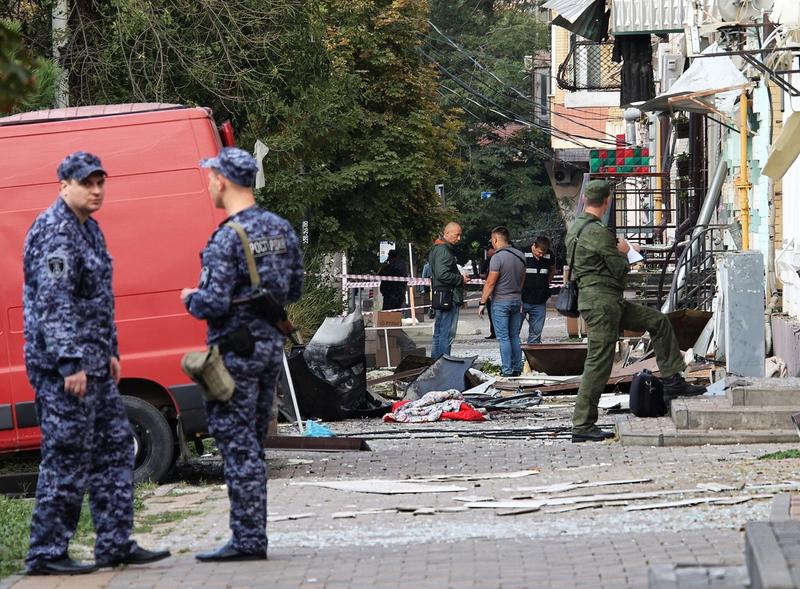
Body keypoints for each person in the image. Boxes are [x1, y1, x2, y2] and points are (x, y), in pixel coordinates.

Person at [22, 152, 170, 575]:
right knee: (67, 454)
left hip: (96, 364)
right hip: (63, 370)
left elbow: (98, 300)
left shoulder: (89, 229)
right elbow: (54, 304)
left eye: (100, 182)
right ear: (63, 185)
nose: (96, 190)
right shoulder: (55, 231)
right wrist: (71, 363)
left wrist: (110, 352)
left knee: (115, 446)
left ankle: (114, 543)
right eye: (86, 183)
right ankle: (47, 553)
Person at [181, 147, 304, 561]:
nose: (208, 184)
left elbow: (213, 303)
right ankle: (252, 535)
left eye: (211, 177)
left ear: (224, 181)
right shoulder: (281, 229)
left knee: (237, 443)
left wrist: (190, 298)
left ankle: (248, 539)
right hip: (270, 349)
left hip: (236, 351)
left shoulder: (227, 237)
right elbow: (294, 290)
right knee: (252, 438)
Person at [567, 180, 705, 443]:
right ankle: (582, 425)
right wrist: (627, 251)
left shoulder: (576, 228)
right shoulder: (597, 232)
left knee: (658, 321)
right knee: (598, 363)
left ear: (584, 199)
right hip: (603, 303)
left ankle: (672, 381)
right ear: (607, 201)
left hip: (605, 301)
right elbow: (619, 269)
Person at [478, 227, 527, 377]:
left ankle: (506, 370)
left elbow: (490, 282)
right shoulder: (520, 255)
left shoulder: (497, 258)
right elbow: (522, 279)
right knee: (515, 336)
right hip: (516, 300)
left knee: (504, 337)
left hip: (500, 302)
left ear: (495, 239)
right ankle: (517, 368)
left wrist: (482, 303)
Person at [429, 222, 468, 358]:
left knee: (439, 333)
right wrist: (460, 279)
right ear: (447, 233)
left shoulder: (438, 248)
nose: (459, 238)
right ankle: (443, 363)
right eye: (457, 235)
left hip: (441, 295)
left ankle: (436, 362)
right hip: (448, 296)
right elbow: (442, 274)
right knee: (446, 333)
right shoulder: (444, 250)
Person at [521, 236, 555, 344]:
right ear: (534, 246)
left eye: (543, 254)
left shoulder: (550, 255)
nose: (541, 255)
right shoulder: (522, 253)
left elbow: (552, 269)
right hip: (522, 298)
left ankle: (533, 353)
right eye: (539, 252)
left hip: (540, 300)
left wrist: (546, 283)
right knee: (514, 331)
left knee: (536, 333)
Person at [478, 246, 497, 339]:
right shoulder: (487, 261)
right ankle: (493, 332)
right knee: (491, 312)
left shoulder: (499, 259)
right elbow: (481, 273)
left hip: (498, 292)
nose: (488, 253)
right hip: (489, 291)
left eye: (489, 251)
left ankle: (499, 332)